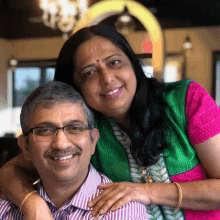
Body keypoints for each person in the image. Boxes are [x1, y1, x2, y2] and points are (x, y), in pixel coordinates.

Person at [1, 25, 220, 220]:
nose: (107, 78)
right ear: (76, 87)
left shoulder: (183, 101)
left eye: (114, 62)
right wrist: (32, 203)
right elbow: (10, 171)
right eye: (89, 72)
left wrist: (146, 192)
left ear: (132, 65)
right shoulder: (84, 132)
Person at [0, 81, 148, 220]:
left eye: (75, 128)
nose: (61, 144)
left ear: (93, 140)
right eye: (45, 130)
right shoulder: (6, 209)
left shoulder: (126, 212)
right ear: (25, 146)